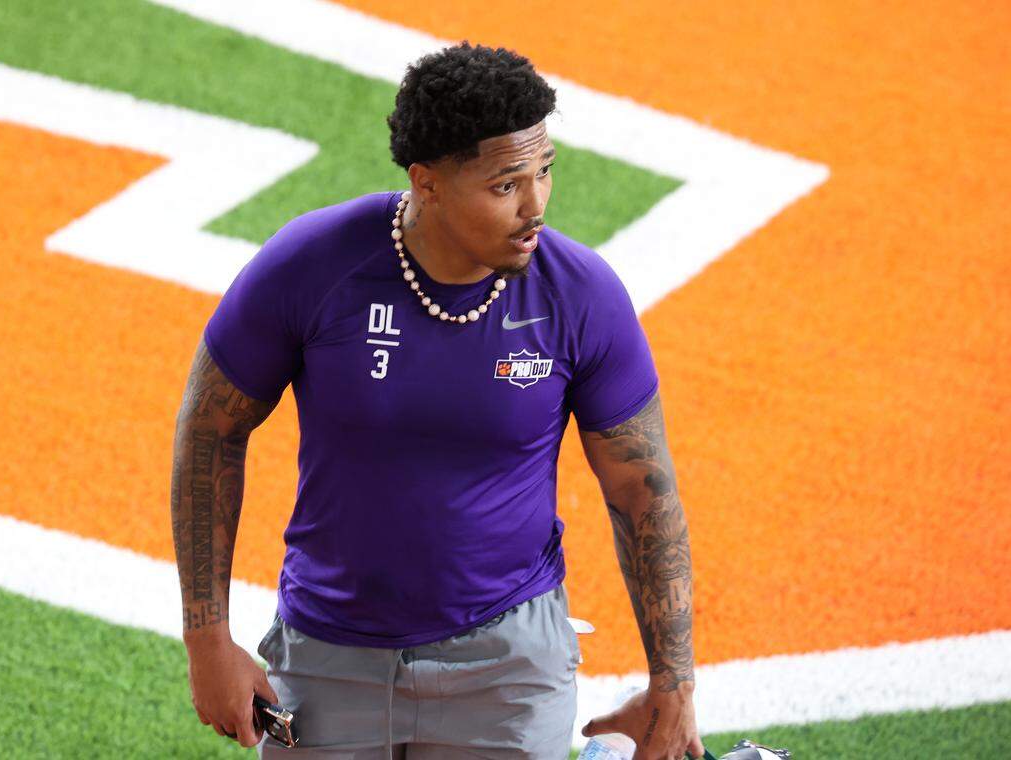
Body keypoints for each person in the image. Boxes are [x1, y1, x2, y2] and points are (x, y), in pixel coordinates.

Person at [169, 41, 704, 760]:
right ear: (427, 183)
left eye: (544, 171)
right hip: (328, 655)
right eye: (505, 184)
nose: (536, 203)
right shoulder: (313, 265)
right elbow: (209, 429)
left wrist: (674, 684)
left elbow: (644, 490)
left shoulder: (580, 296)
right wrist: (207, 640)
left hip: (509, 667)